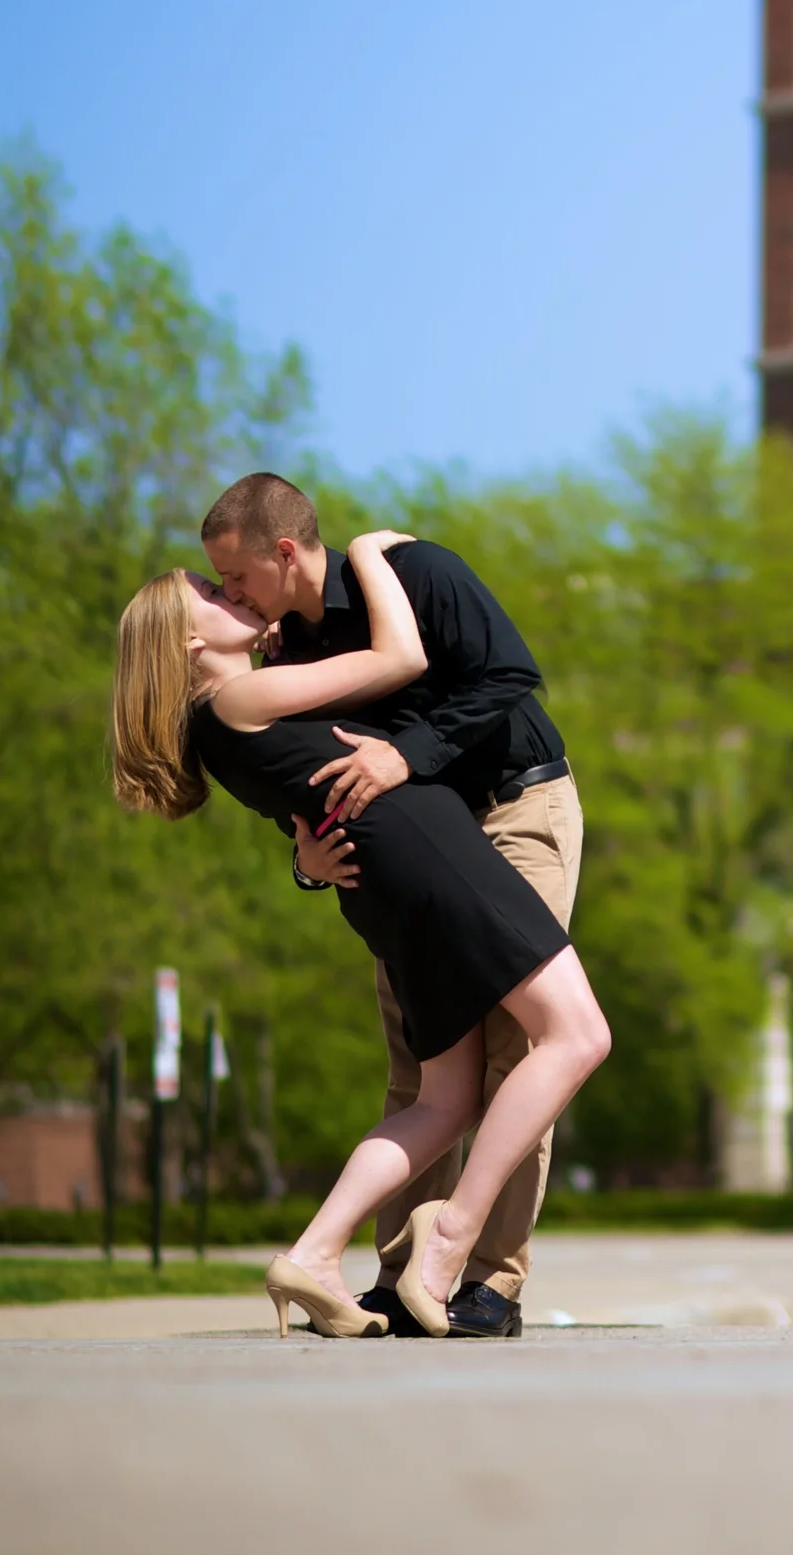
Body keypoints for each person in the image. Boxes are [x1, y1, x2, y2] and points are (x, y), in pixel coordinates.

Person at [111, 532, 610, 1340]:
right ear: (189, 642)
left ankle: (317, 1255)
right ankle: (447, 1239)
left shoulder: (240, 701)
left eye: (235, 577)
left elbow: (302, 783)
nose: (233, 592)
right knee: (574, 1035)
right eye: (216, 588)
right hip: (431, 852)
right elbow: (400, 659)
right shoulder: (242, 696)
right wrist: (372, 556)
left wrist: (306, 849)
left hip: (411, 862)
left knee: (445, 1097)